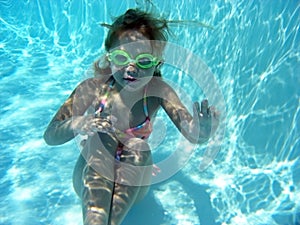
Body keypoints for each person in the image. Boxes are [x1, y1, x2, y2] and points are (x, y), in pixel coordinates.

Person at [44, 8, 219, 225]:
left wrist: (202, 131)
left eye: (144, 61)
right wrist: (77, 123)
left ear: (157, 63)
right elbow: (50, 136)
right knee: (102, 139)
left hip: (133, 187)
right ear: (109, 57)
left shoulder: (159, 92)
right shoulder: (92, 88)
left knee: (138, 147)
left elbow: (192, 134)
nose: (131, 68)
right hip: (90, 182)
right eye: (121, 57)